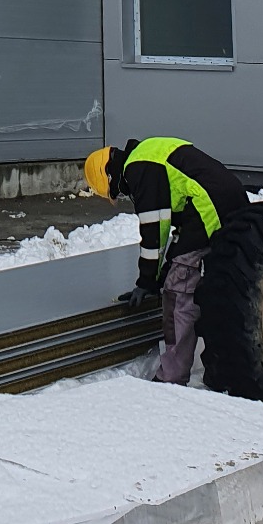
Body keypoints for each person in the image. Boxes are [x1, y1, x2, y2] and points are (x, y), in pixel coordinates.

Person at [84, 136, 250, 384]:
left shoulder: (137, 170)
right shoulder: (148, 153)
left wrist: (147, 281)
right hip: (228, 200)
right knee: (215, 285)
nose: (122, 194)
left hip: (208, 207)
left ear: (109, 175)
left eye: (116, 191)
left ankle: (172, 376)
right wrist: (157, 273)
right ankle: (219, 367)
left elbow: (154, 231)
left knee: (178, 289)